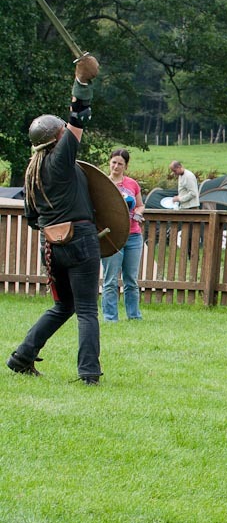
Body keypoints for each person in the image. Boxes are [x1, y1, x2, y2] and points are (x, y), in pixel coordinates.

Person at [7, 55, 103, 385]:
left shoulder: (33, 172)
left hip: (51, 245)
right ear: (58, 137)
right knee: (87, 309)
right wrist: (82, 83)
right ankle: (89, 373)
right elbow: (78, 117)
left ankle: (22, 357)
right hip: (80, 239)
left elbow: (32, 218)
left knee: (64, 306)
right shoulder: (62, 159)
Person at [101, 149, 144, 322]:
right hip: (111, 237)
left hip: (133, 236)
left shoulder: (132, 184)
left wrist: (139, 213)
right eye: (114, 162)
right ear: (109, 162)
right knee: (111, 280)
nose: (116, 166)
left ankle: (134, 316)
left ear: (126, 166)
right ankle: (110, 317)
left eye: (120, 163)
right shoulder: (103, 183)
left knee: (131, 280)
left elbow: (140, 205)